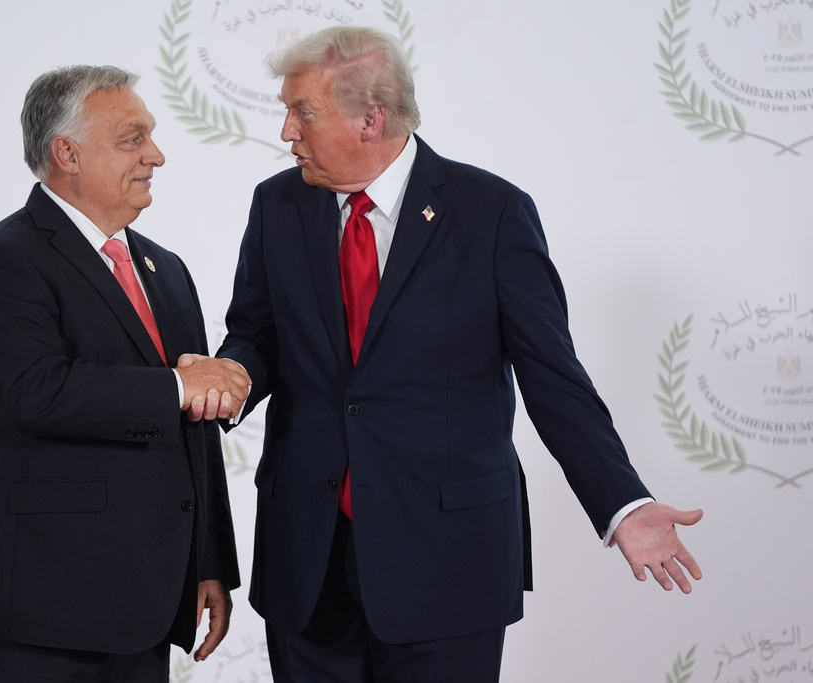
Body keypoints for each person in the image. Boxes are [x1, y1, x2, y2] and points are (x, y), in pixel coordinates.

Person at [208, 26, 703, 682]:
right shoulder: (277, 206)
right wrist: (233, 369)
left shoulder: (491, 213)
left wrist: (623, 504)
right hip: (307, 557)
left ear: (370, 118)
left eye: (302, 111)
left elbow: (553, 375)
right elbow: (257, 333)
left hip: (447, 560)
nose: (286, 132)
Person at [0, 65, 251, 682]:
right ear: (65, 153)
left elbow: (193, 429)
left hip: (143, 606)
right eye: (132, 139)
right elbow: (35, 392)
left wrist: (208, 562)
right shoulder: (3, 260)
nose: (157, 155)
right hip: (28, 610)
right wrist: (180, 386)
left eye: (151, 136)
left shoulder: (164, 268)